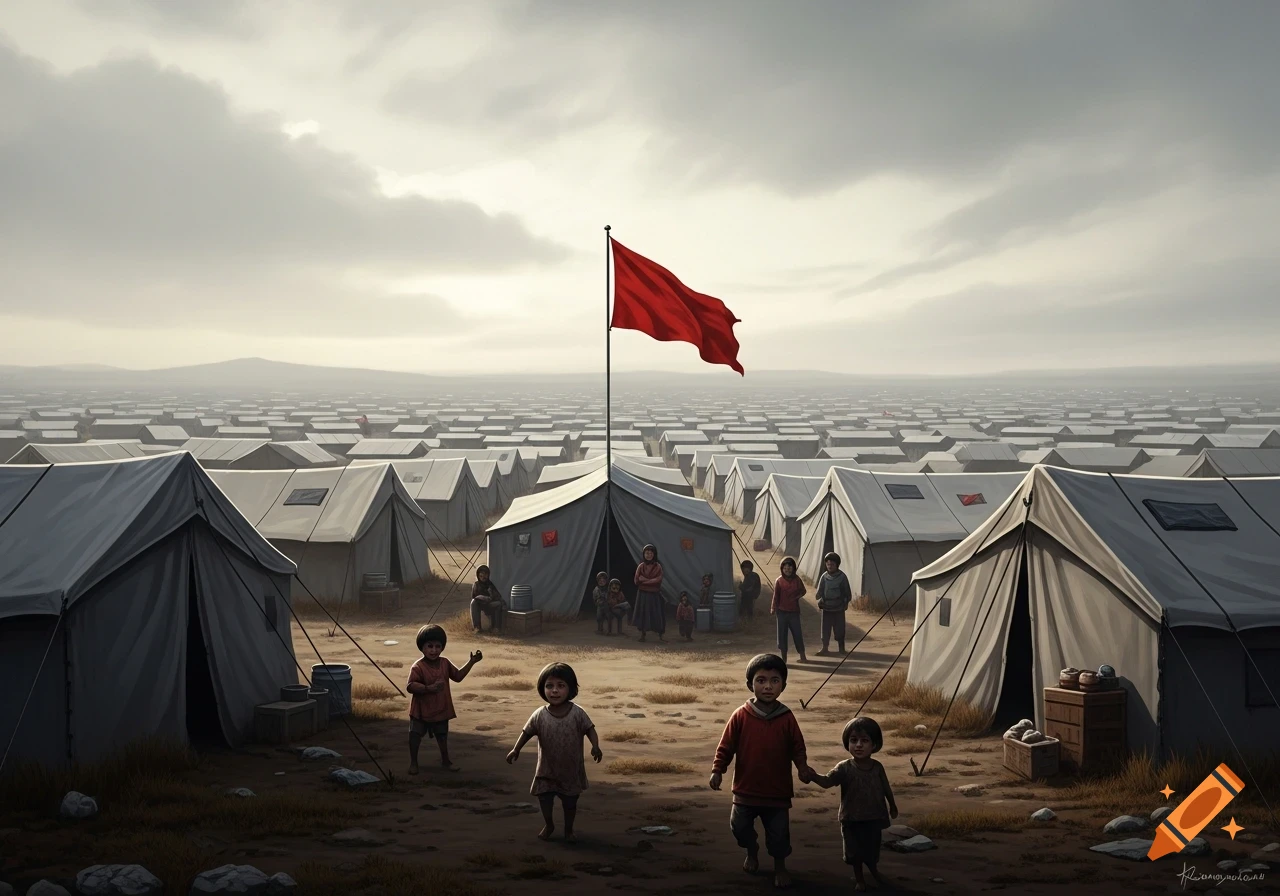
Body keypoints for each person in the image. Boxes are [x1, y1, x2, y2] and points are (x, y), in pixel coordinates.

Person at [709, 653, 815, 890]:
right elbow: (726, 746)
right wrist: (718, 770)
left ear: (783, 686)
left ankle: (780, 868)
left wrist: (802, 767)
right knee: (739, 828)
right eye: (761, 680)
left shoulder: (787, 717)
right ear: (750, 684)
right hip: (745, 789)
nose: (768, 686)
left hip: (777, 791)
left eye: (775, 681)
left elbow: (798, 747)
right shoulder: (741, 715)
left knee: (779, 835)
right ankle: (752, 850)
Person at [506, 662, 603, 842]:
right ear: (542, 689)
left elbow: (590, 729)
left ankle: (568, 829)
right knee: (545, 798)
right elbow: (526, 732)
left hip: (570, 769)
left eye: (561, 686)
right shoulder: (539, 714)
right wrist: (515, 749)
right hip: (546, 768)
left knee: (570, 802)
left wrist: (595, 746)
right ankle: (549, 824)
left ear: (571, 689)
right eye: (549, 686)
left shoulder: (577, 713)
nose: (555, 691)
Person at [804, 717, 898, 891]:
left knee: (871, 849)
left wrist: (892, 805)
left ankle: (873, 870)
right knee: (854, 851)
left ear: (875, 745)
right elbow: (827, 782)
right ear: (847, 743)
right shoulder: (844, 767)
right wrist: (813, 776)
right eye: (854, 740)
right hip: (851, 818)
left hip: (874, 816)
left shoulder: (877, 767)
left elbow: (885, 787)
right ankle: (860, 878)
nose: (859, 745)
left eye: (865, 740)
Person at [406, 624, 481, 773]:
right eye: (430, 646)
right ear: (422, 647)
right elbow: (410, 686)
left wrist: (471, 662)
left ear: (442, 647)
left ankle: (446, 761)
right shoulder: (418, 667)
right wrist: (428, 688)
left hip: (440, 708)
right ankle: (413, 763)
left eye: (437, 646)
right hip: (421, 710)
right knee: (415, 735)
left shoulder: (445, 663)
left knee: (442, 735)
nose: (434, 650)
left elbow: (458, 676)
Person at [815, 552, 853, 656]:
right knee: (825, 629)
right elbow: (819, 591)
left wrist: (844, 602)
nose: (830, 566)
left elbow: (847, 593)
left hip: (838, 608)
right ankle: (824, 648)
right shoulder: (824, 577)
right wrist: (820, 599)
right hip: (826, 607)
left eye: (832, 564)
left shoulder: (842, 577)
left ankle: (841, 648)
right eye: (828, 564)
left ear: (837, 565)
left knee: (840, 629)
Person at [771, 557, 808, 664]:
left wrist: (797, 597)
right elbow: (775, 596)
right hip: (781, 611)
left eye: (790, 568)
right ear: (782, 569)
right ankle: (784, 659)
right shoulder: (779, 581)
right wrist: (773, 607)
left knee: (797, 633)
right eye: (785, 568)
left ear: (794, 568)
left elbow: (803, 591)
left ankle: (803, 656)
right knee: (782, 635)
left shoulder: (797, 580)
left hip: (794, 612)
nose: (787, 570)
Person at [632, 544, 666, 643]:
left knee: (656, 614)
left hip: (654, 594)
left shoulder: (658, 566)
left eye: (651, 553)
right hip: (643, 594)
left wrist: (645, 580)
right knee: (643, 614)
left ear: (654, 554)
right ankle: (643, 634)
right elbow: (637, 580)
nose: (649, 555)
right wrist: (650, 581)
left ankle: (660, 634)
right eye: (647, 553)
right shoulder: (641, 566)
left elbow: (658, 580)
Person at [470, 565, 506, 633]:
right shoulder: (476, 584)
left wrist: (491, 595)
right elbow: (474, 596)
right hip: (479, 604)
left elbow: (497, 596)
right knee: (473, 602)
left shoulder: (490, 584)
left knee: (498, 604)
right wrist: (482, 598)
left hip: (489, 604)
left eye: (485, 574)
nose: (484, 576)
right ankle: (477, 627)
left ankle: (496, 628)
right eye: (481, 575)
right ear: (478, 575)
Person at [591, 571, 611, 635]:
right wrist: (597, 601)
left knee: (608, 617)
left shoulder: (608, 589)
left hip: (607, 606)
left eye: (603, 580)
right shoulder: (596, 589)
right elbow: (594, 597)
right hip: (600, 605)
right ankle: (600, 629)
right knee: (599, 617)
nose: (601, 582)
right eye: (600, 580)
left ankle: (609, 630)